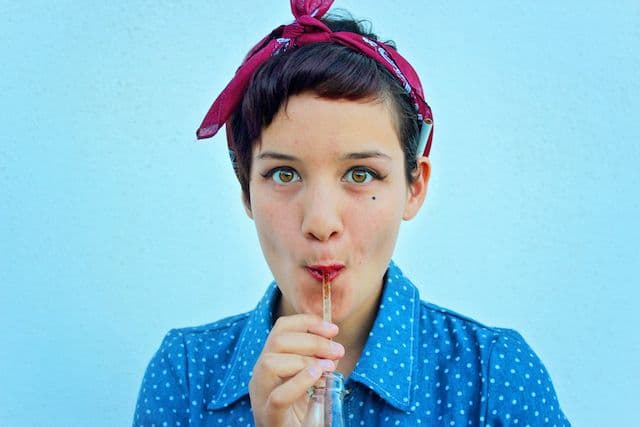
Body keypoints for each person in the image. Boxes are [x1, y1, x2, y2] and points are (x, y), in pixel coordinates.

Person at [133, 1, 570, 425]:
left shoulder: (495, 376)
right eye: (284, 174)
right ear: (246, 191)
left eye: (361, 174)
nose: (321, 223)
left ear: (414, 187)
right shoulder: (185, 375)